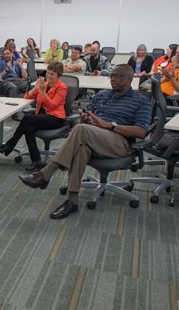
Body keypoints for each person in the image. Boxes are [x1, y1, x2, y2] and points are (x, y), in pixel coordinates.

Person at [19, 64, 151, 219]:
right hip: (92, 136)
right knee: (81, 145)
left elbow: (141, 132)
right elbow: (87, 119)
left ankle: (45, 174)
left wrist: (111, 126)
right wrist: (84, 119)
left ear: (130, 79)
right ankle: (72, 201)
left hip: (120, 142)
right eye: (112, 76)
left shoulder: (140, 100)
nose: (113, 79)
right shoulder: (101, 95)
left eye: (118, 76)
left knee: (81, 130)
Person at [0, 62, 67, 171]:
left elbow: (52, 106)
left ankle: (10, 145)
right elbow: (26, 96)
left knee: (27, 118)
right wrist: (36, 88)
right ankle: (36, 161)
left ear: (59, 75)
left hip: (55, 118)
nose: (48, 76)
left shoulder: (62, 87)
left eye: (52, 74)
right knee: (28, 127)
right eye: (47, 73)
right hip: (41, 117)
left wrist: (42, 91)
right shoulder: (45, 85)